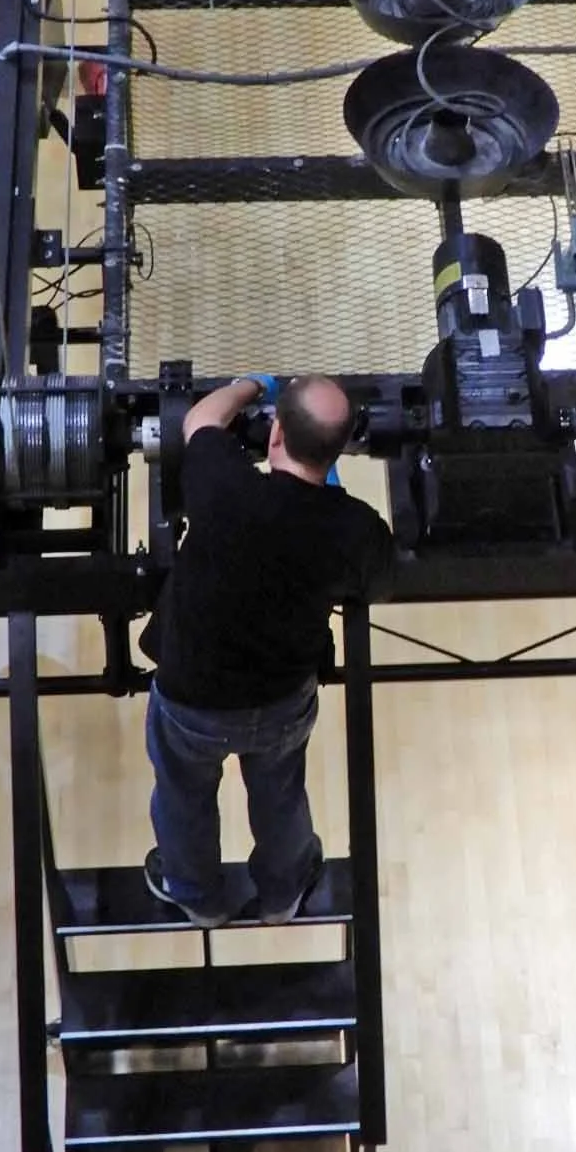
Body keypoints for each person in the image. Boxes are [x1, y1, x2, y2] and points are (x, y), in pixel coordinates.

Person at [140, 371, 396, 928]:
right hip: (282, 703)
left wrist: (251, 387)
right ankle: (282, 896)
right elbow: (374, 581)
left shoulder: (226, 487)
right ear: (339, 450)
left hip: (192, 701)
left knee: (183, 795)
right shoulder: (354, 529)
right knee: (280, 796)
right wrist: (332, 498)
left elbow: (201, 421)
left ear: (276, 436)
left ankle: (196, 896)